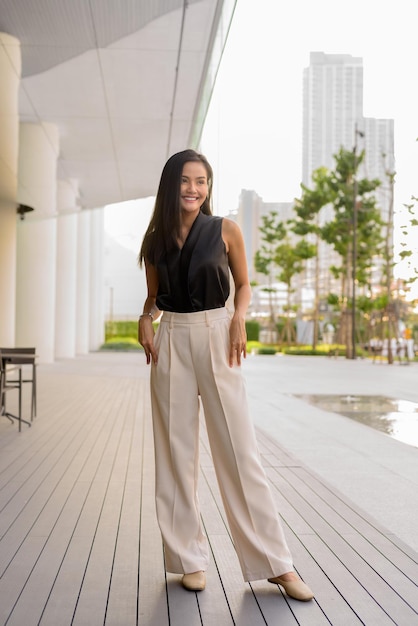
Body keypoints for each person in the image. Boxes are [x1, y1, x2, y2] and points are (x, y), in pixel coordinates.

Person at [138, 149, 313, 601]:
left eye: (202, 181)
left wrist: (239, 316)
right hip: (172, 337)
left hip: (218, 333)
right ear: (170, 185)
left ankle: (275, 564)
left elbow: (245, 284)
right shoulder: (155, 239)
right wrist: (144, 316)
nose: (194, 188)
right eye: (185, 181)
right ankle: (186, 560)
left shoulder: (226, 230)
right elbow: (154, 296)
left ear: (209, 186)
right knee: (175, 454)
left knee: (239, 451)